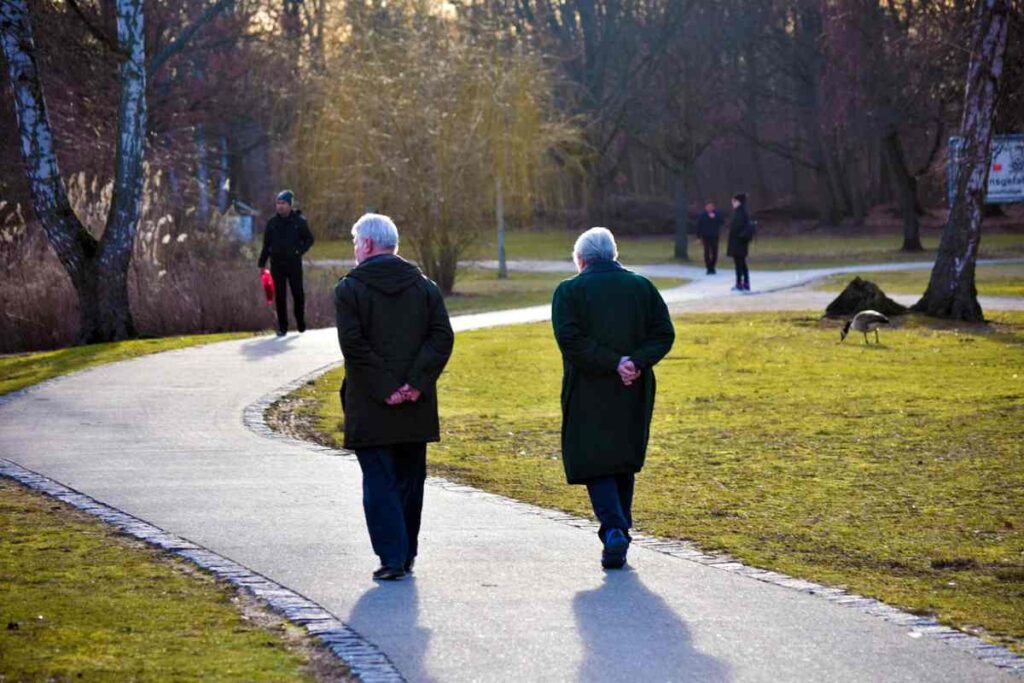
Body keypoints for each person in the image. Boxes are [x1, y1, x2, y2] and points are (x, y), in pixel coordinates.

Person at [334, 213, 454, 581]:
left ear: (367, 245)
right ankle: (406, 551)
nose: (355, 250)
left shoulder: (349, 290)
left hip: (370, 404)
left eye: (356, 243)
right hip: (416, 407)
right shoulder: (425, 287)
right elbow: (441, 337)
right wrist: (414, 384)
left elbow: (354, 346)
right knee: (409, 479)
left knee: (379, 480)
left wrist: (388, 388)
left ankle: (392, 555)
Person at [551, 227, 675, 569]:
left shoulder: (569, 291)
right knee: (622, 457)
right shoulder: (642, 287)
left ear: (581, 259)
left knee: (596, 460)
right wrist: (634, 362)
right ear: (614, 254)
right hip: (633, 387)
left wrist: (611, 362)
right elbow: (664, 333)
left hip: (589, 390)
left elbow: (570, 340)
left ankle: (615, 529)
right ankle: (619, 529)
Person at [258, 190, 315, 336]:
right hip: (277, 264)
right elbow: (266, 245)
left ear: (290, 205)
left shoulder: (299, 221)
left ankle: (300, 322)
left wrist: (299, 251)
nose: (280, 206)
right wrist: (262, 264)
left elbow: (309, 239)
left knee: (298, 294)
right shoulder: (272, 223)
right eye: (278, 203)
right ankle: (282, 327)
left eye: (283, 203)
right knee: (280, 296)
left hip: (293, 263)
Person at [726, 193, 754, 292]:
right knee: (741, 263)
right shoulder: (741, 212)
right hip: (739, 242)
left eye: (734, 201)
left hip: (738, 242)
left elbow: (736, 228)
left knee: (739, 264)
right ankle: (744, 283)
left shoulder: (740, 213)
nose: (732, 203)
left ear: (738, 202)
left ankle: (740, 283)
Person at [695, 200, 724, 275]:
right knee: (706, 252)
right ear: (706, 207)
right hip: (705, 236)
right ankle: (708, 268)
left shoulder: (717, 214)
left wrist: (715, 217)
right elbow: (699, 226)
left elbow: (722, 222)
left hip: (714, 236)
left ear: (713, 207)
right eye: (708, 207)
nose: (710, 208)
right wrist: (698, 237)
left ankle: (713, 266)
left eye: (711, 206)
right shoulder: (702, 215)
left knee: (715, 252)